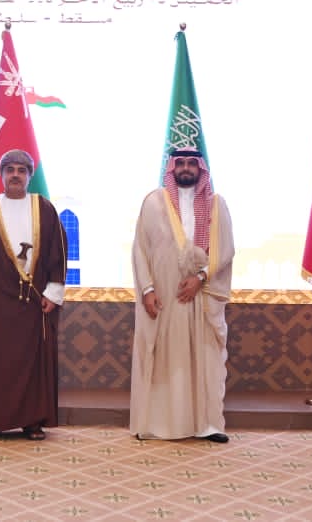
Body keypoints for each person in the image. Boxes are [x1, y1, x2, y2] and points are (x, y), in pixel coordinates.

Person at [0, 149, 66, 440]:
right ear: (2, 175)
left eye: (21, 170)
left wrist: (53, 292)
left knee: (32, 362)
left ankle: (32, 421)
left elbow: (58, 252)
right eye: (10, 170)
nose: (15, 175)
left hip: (34, 302)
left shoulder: (44, 208)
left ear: (30, 176)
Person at [130, 148, 235, 442]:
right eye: (181, 163)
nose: (186, 168)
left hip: (201, 298)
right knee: (165, 359)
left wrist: (200, 279)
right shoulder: (153, 202)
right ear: (172, 168)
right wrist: (147, 289)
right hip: (165, 298)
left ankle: (208, 425)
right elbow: (140, 249)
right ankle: (157, 424)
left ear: (201, 169)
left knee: (205, 360)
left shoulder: (216, 204)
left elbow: (225, 250)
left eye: (192, 163)